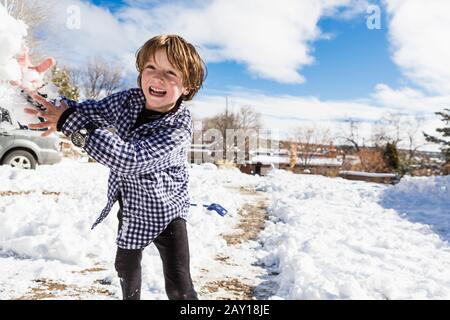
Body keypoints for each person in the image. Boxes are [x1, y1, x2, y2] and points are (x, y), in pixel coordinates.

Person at [20, 34, 206, 300]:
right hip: (131, 207)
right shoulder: (128, 101)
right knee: (125, 269)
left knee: (179, 284)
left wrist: (71, 123)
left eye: (170, 72)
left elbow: (129, 160)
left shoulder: (178, 127)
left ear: (187, 86)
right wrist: (36, 88)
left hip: (167, 212)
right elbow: (84, 111)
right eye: (150, 68)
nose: (157, 78)